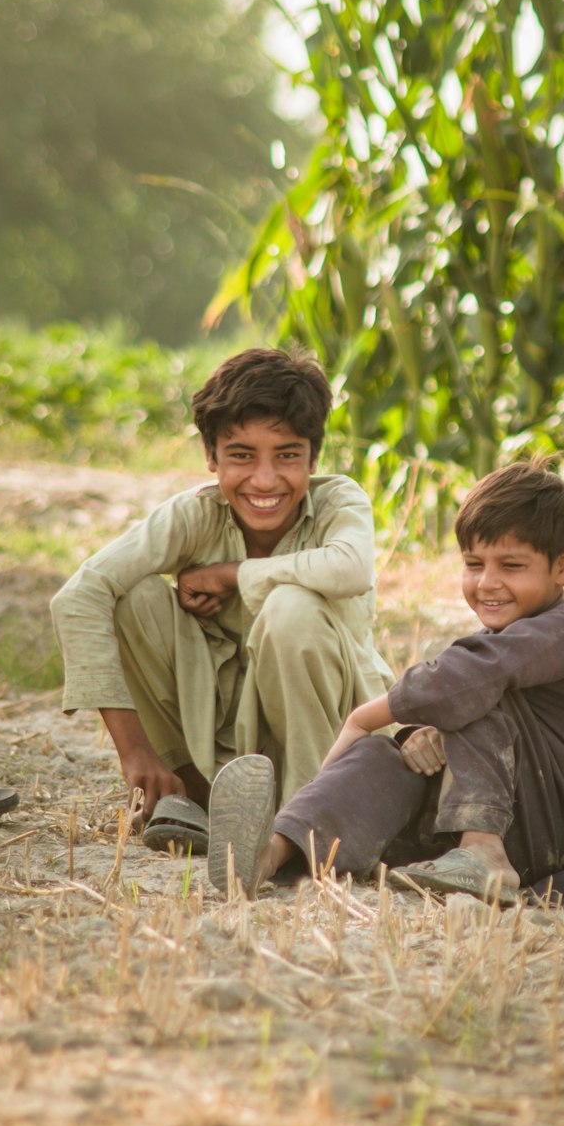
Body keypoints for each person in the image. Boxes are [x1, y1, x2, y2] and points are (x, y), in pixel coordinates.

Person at [207, 460, 564, 906]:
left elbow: (464, 681)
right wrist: (428, 737)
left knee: (468, 693)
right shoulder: (498, 643)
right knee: (382, 756)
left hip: (544, 834)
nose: (487, 583)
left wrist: (366, 716)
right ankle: (271, 853)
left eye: (511, 565)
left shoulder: (563, 633)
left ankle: (485, 852)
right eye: (474, 564)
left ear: (563, 566)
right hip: (454, 829)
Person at [50, 346, 392, 849]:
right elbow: (79, 596)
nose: (265, 479)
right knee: (135, 596)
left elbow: (350, 568)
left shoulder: (339, 501)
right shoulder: (195, 516)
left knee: (291, 607)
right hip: (228, 748)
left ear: (313, 458)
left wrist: (232, 574)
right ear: (211, 457)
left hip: (330, 751)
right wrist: (136, 752)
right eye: (241, 455)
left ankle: (309, 824)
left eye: (288, 455)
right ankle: (193, 794)